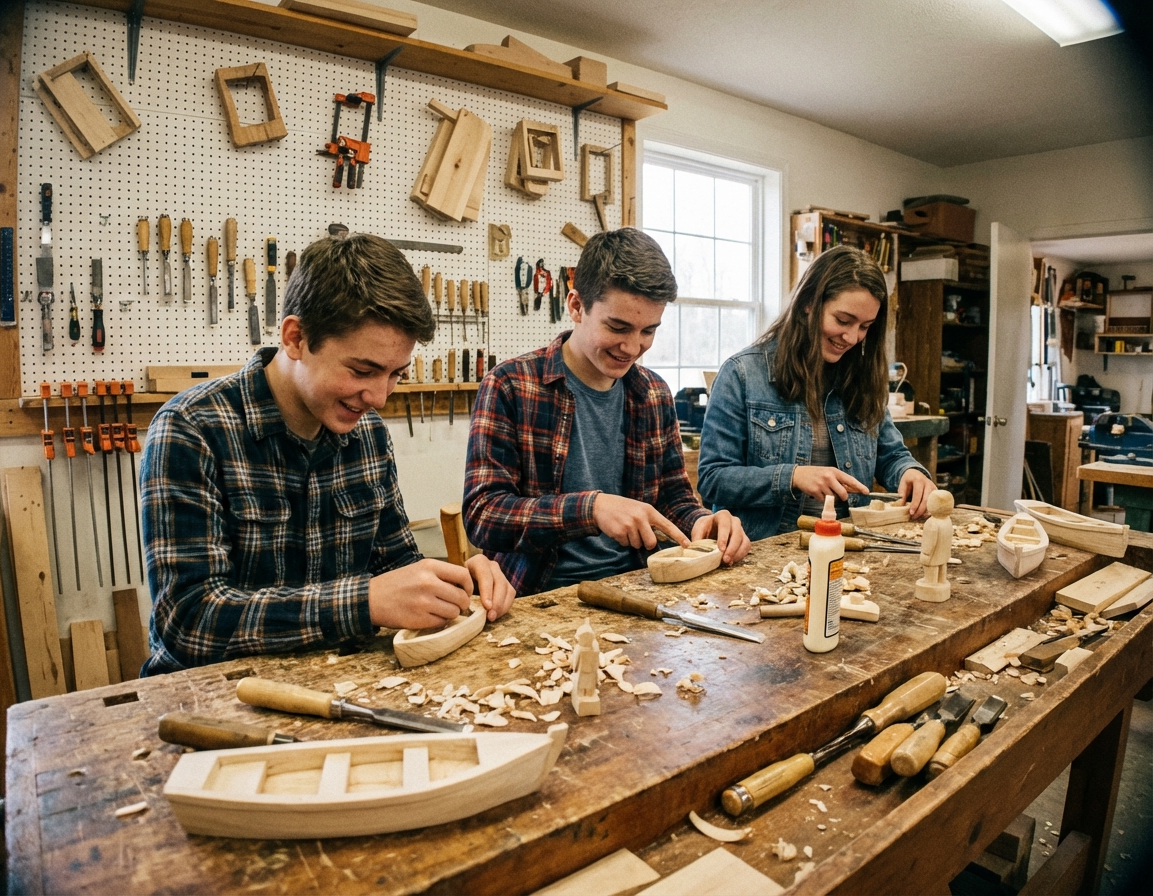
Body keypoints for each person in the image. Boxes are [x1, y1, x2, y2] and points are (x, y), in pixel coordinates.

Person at [140, 234, 514, 675]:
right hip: (216, 704)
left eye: (396, 374)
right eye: (362, 370)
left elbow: (396, 565)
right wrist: (363, 603)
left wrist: (457, 582)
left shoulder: (367, 434)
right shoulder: (191, 429)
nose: (379, 397)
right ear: (295, 338)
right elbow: (188, 622)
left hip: (340, 682)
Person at [462, 228, 751, 596]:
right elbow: (484, 515)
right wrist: (592, 509)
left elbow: (673, 497)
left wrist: (705, 522)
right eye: (617, 327)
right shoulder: (510, 385)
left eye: (649, 330)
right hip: (539, 596)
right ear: (576, 306)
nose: (632, 347)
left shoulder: (652, 392)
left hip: (638, 586)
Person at [697, 244, 935, 541]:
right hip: (765, 552)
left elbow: (891, 455)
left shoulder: (861, 378)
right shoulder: (742, 374)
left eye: (865, 327)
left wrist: (909, 473)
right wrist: (794, 477)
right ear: (808, 302)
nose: (851, 337)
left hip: (847, 542)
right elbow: (713, 479)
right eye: (843, 320)